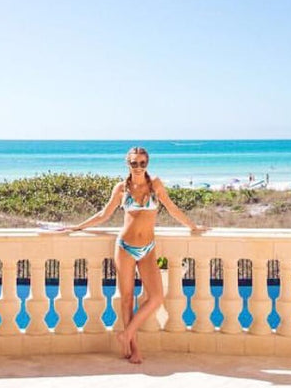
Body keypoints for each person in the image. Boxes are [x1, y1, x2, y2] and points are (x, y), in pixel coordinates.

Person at [62, 146, 206, 364]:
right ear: (127, 164)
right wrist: (75, 228)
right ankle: (132, 346)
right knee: (127, 299)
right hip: (125, 248)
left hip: (148, 248)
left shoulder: (155, 184)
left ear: (147, 164)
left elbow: (172, 208)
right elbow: (104, 214)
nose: (138, 167)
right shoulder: (121, 188)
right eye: (134, 163)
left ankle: (126, 333)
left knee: (156, 297)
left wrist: (193, 226)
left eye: (142, 163)